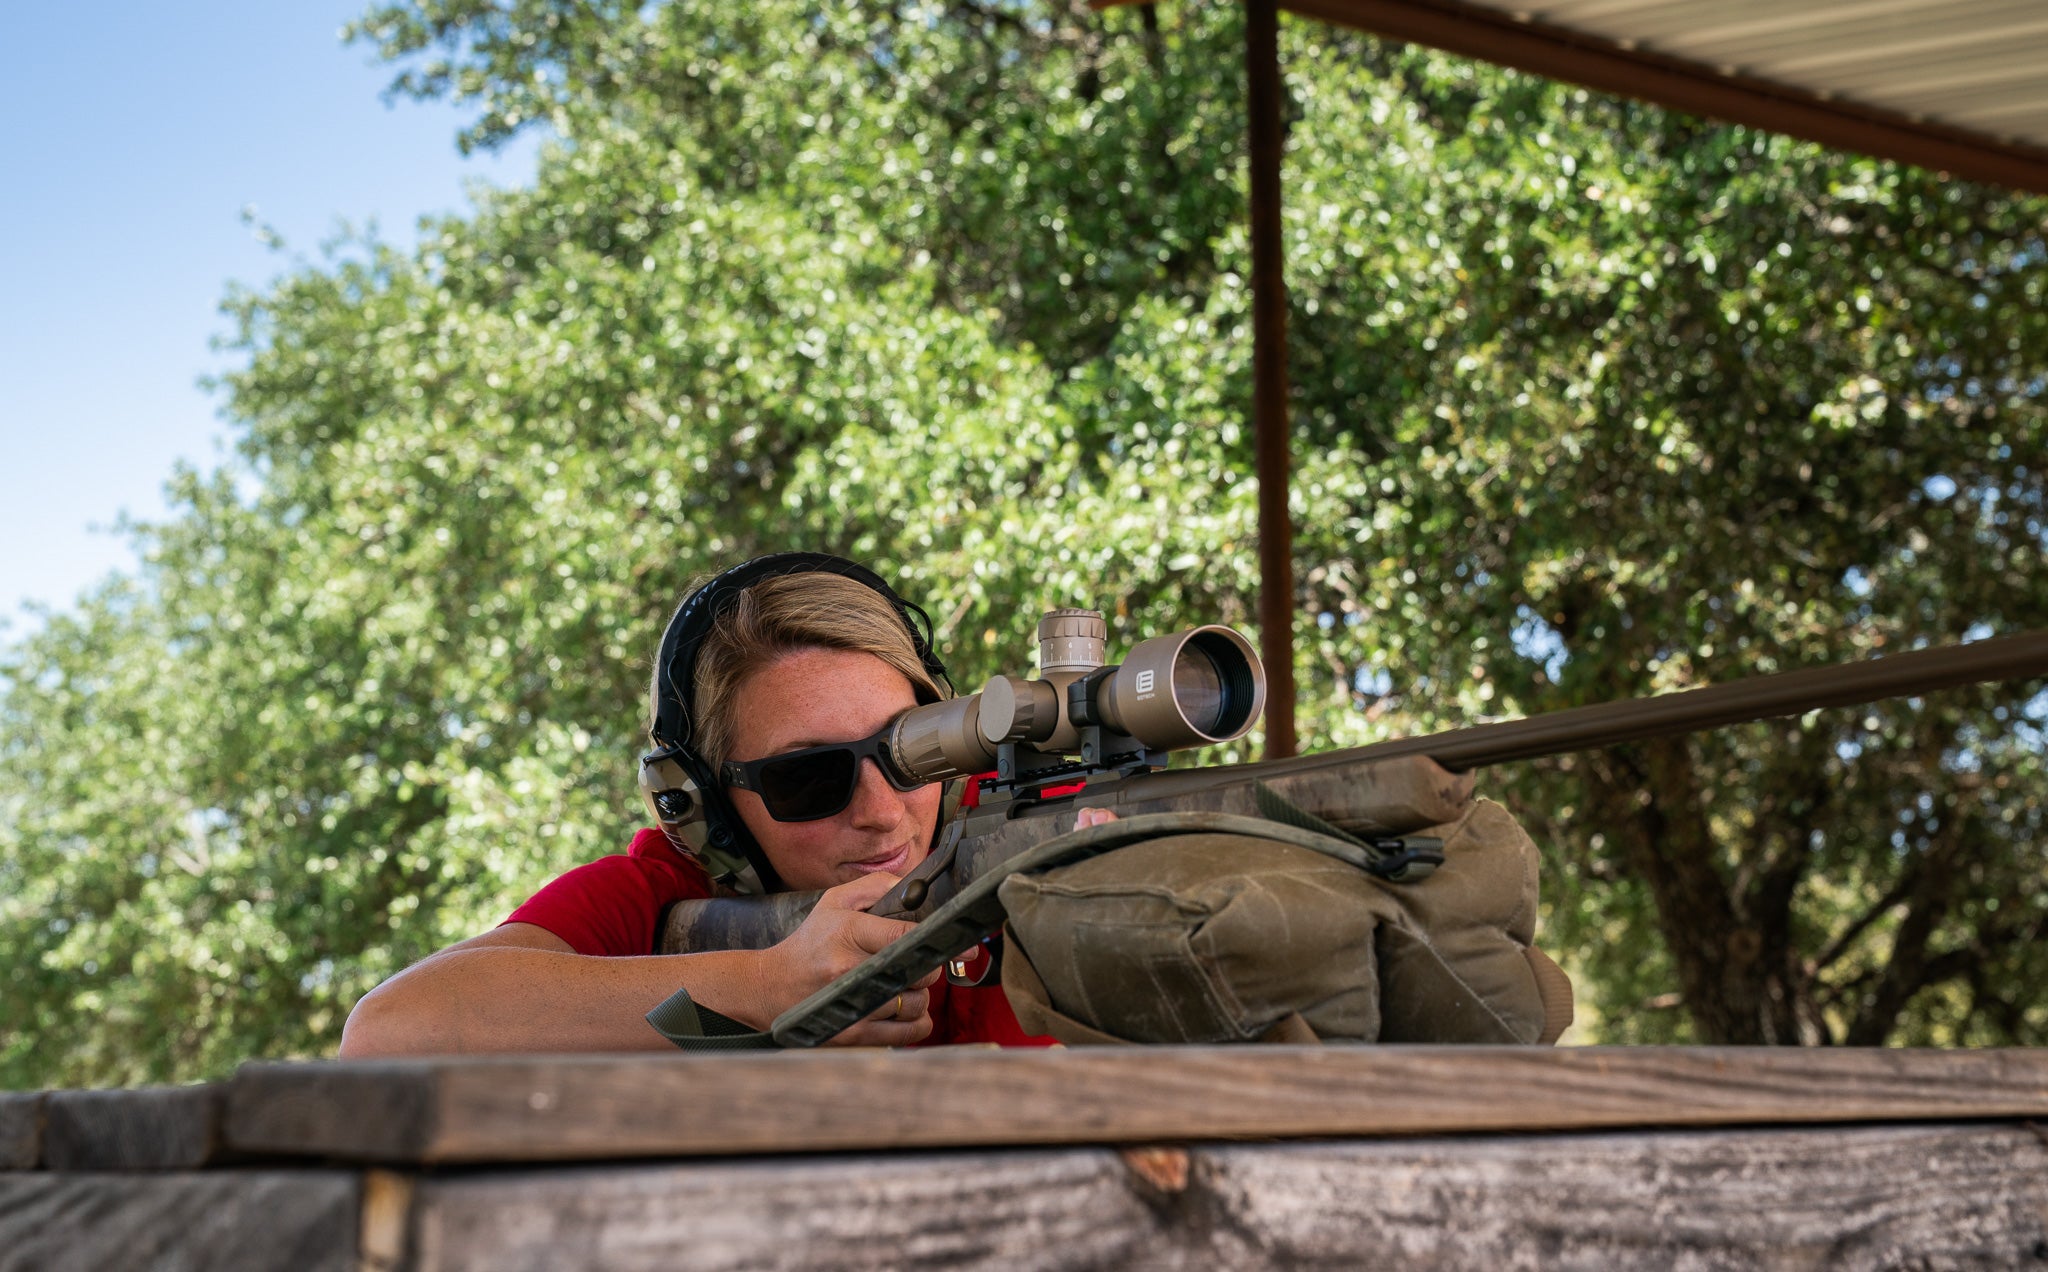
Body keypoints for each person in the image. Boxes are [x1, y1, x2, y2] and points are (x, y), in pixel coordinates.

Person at [339, 553, 1062, 1056]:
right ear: (707, 805)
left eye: (911, 751)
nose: (880, 810)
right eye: (808, 778)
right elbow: (390, 1030)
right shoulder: (664, 899)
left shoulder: (1037, 836)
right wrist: (764, 984)